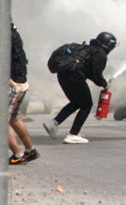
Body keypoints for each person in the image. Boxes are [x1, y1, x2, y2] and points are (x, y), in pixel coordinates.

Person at [44, 31, 116, 144]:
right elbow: (96, 76)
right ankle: (73, 134)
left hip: (63, 74)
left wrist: (102, 82)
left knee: (76, 102)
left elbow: (88, 71)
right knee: (87, 105)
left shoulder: (86, 49)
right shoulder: (100, 54)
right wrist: (104, 83)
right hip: (75, 75)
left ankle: (54, 123)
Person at [8, 22, 39, 164]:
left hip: (12, 83)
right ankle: (29, 150)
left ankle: (18, 153)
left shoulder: (6, 36)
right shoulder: (13, 33)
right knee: (13, 117)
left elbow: (1, 59)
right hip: (19, 82)